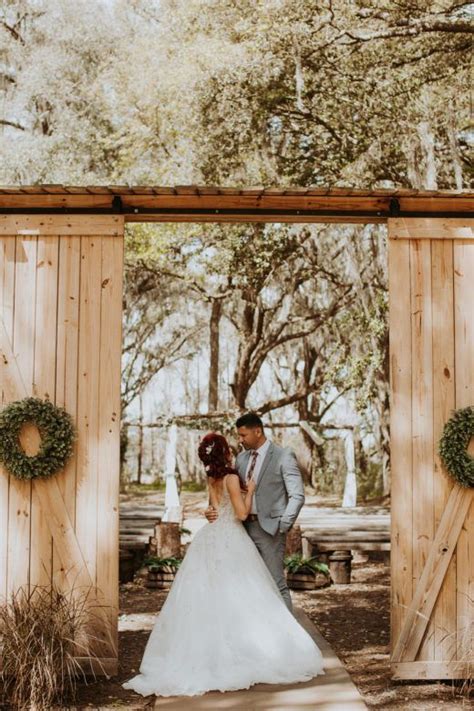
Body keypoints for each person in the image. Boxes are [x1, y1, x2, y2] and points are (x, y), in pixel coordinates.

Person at [122, 429, 324, 698]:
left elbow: (212, 508)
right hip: (232, 538)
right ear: (226, 453)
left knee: (210, 596)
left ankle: (206, 653)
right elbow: (240, 514)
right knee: (247, 595)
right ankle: (251, 651)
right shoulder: (230, 478)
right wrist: (250, 491)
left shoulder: (211, 478)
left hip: (210, 538)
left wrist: (211, 511)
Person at [205, 412, 305, 611]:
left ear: (257, 431)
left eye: (243, 435)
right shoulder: (241, 459)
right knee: (248, 584)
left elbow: (298, 495)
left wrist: (283, 525)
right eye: (239, 436)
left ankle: (286, 634)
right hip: (240, 530)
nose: (239, 440)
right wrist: (211, 510)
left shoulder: (283, 455)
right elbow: (229, 493)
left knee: (276, 583)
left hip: (270, 530)